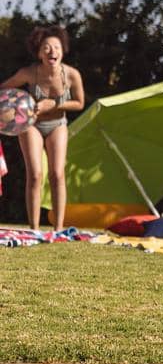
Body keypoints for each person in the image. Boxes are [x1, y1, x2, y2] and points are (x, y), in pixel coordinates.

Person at [2, 25, 87, 231]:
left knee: (57, 174)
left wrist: (55, 104)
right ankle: (34, 228)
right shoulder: (28, 73)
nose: (52, 51)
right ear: (39, 53)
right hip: (31, 124)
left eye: (56, 47)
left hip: (58, 124)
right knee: (35, 174)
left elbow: (79, 103)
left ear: (62, 50)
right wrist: (19, 102)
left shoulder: (72, 75)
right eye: (47, 48)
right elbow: (4, 88)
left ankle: (58, 228)